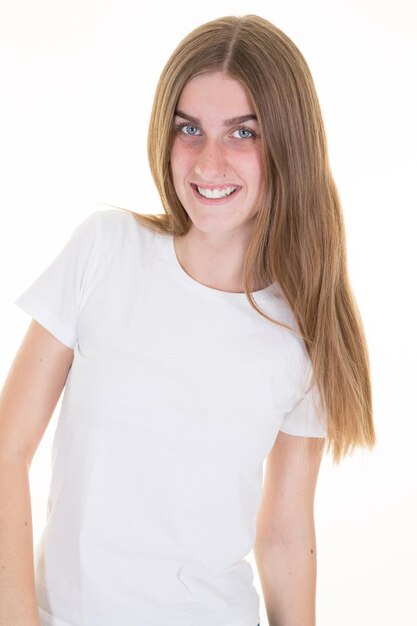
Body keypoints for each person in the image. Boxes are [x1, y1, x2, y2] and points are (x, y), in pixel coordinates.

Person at [0, 13, 376, 626]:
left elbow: (284, 538)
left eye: (243, 133)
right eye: (190, 128)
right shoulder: (105, 251)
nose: (209, 160)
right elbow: (7, 450)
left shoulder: (300, 337)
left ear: (287, 144)